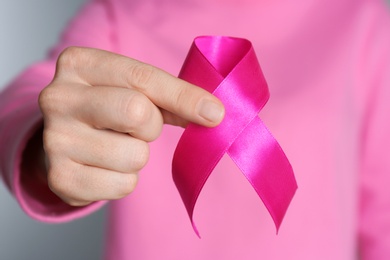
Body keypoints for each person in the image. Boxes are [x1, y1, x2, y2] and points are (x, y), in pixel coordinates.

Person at [1, 0, 390, 259]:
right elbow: (42, 91)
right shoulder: (120, 14)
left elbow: (383, 220)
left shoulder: (362, 17)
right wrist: (43, 143)